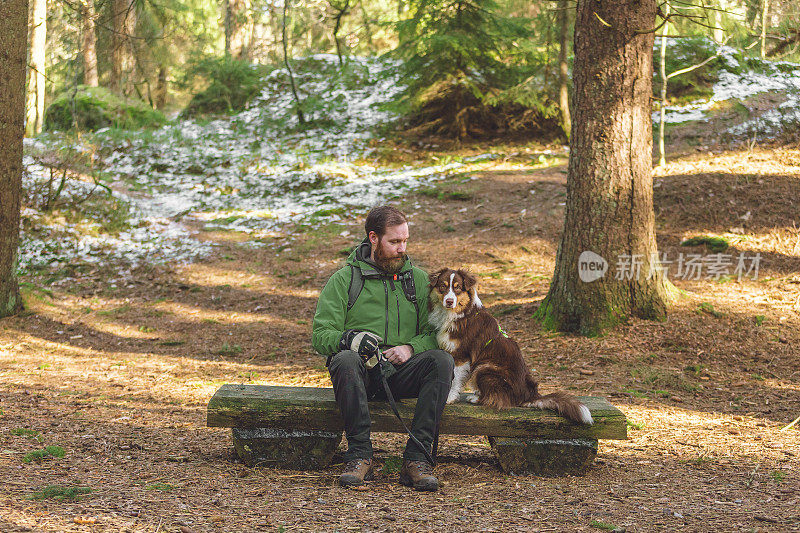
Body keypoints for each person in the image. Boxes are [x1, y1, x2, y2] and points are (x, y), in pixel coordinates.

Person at [312, 205, 454, 492]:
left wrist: (410, 348)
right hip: (361, 374)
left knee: (441, 361)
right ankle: (359, 455)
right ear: (373, 238)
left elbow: (438, 332)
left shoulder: (420, 281)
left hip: (403, 372)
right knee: (344, 360)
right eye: (394, 242)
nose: (402, 249)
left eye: (405, 241)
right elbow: (320, 334)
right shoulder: (344, 280)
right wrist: (350, 340)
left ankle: (417, 459)